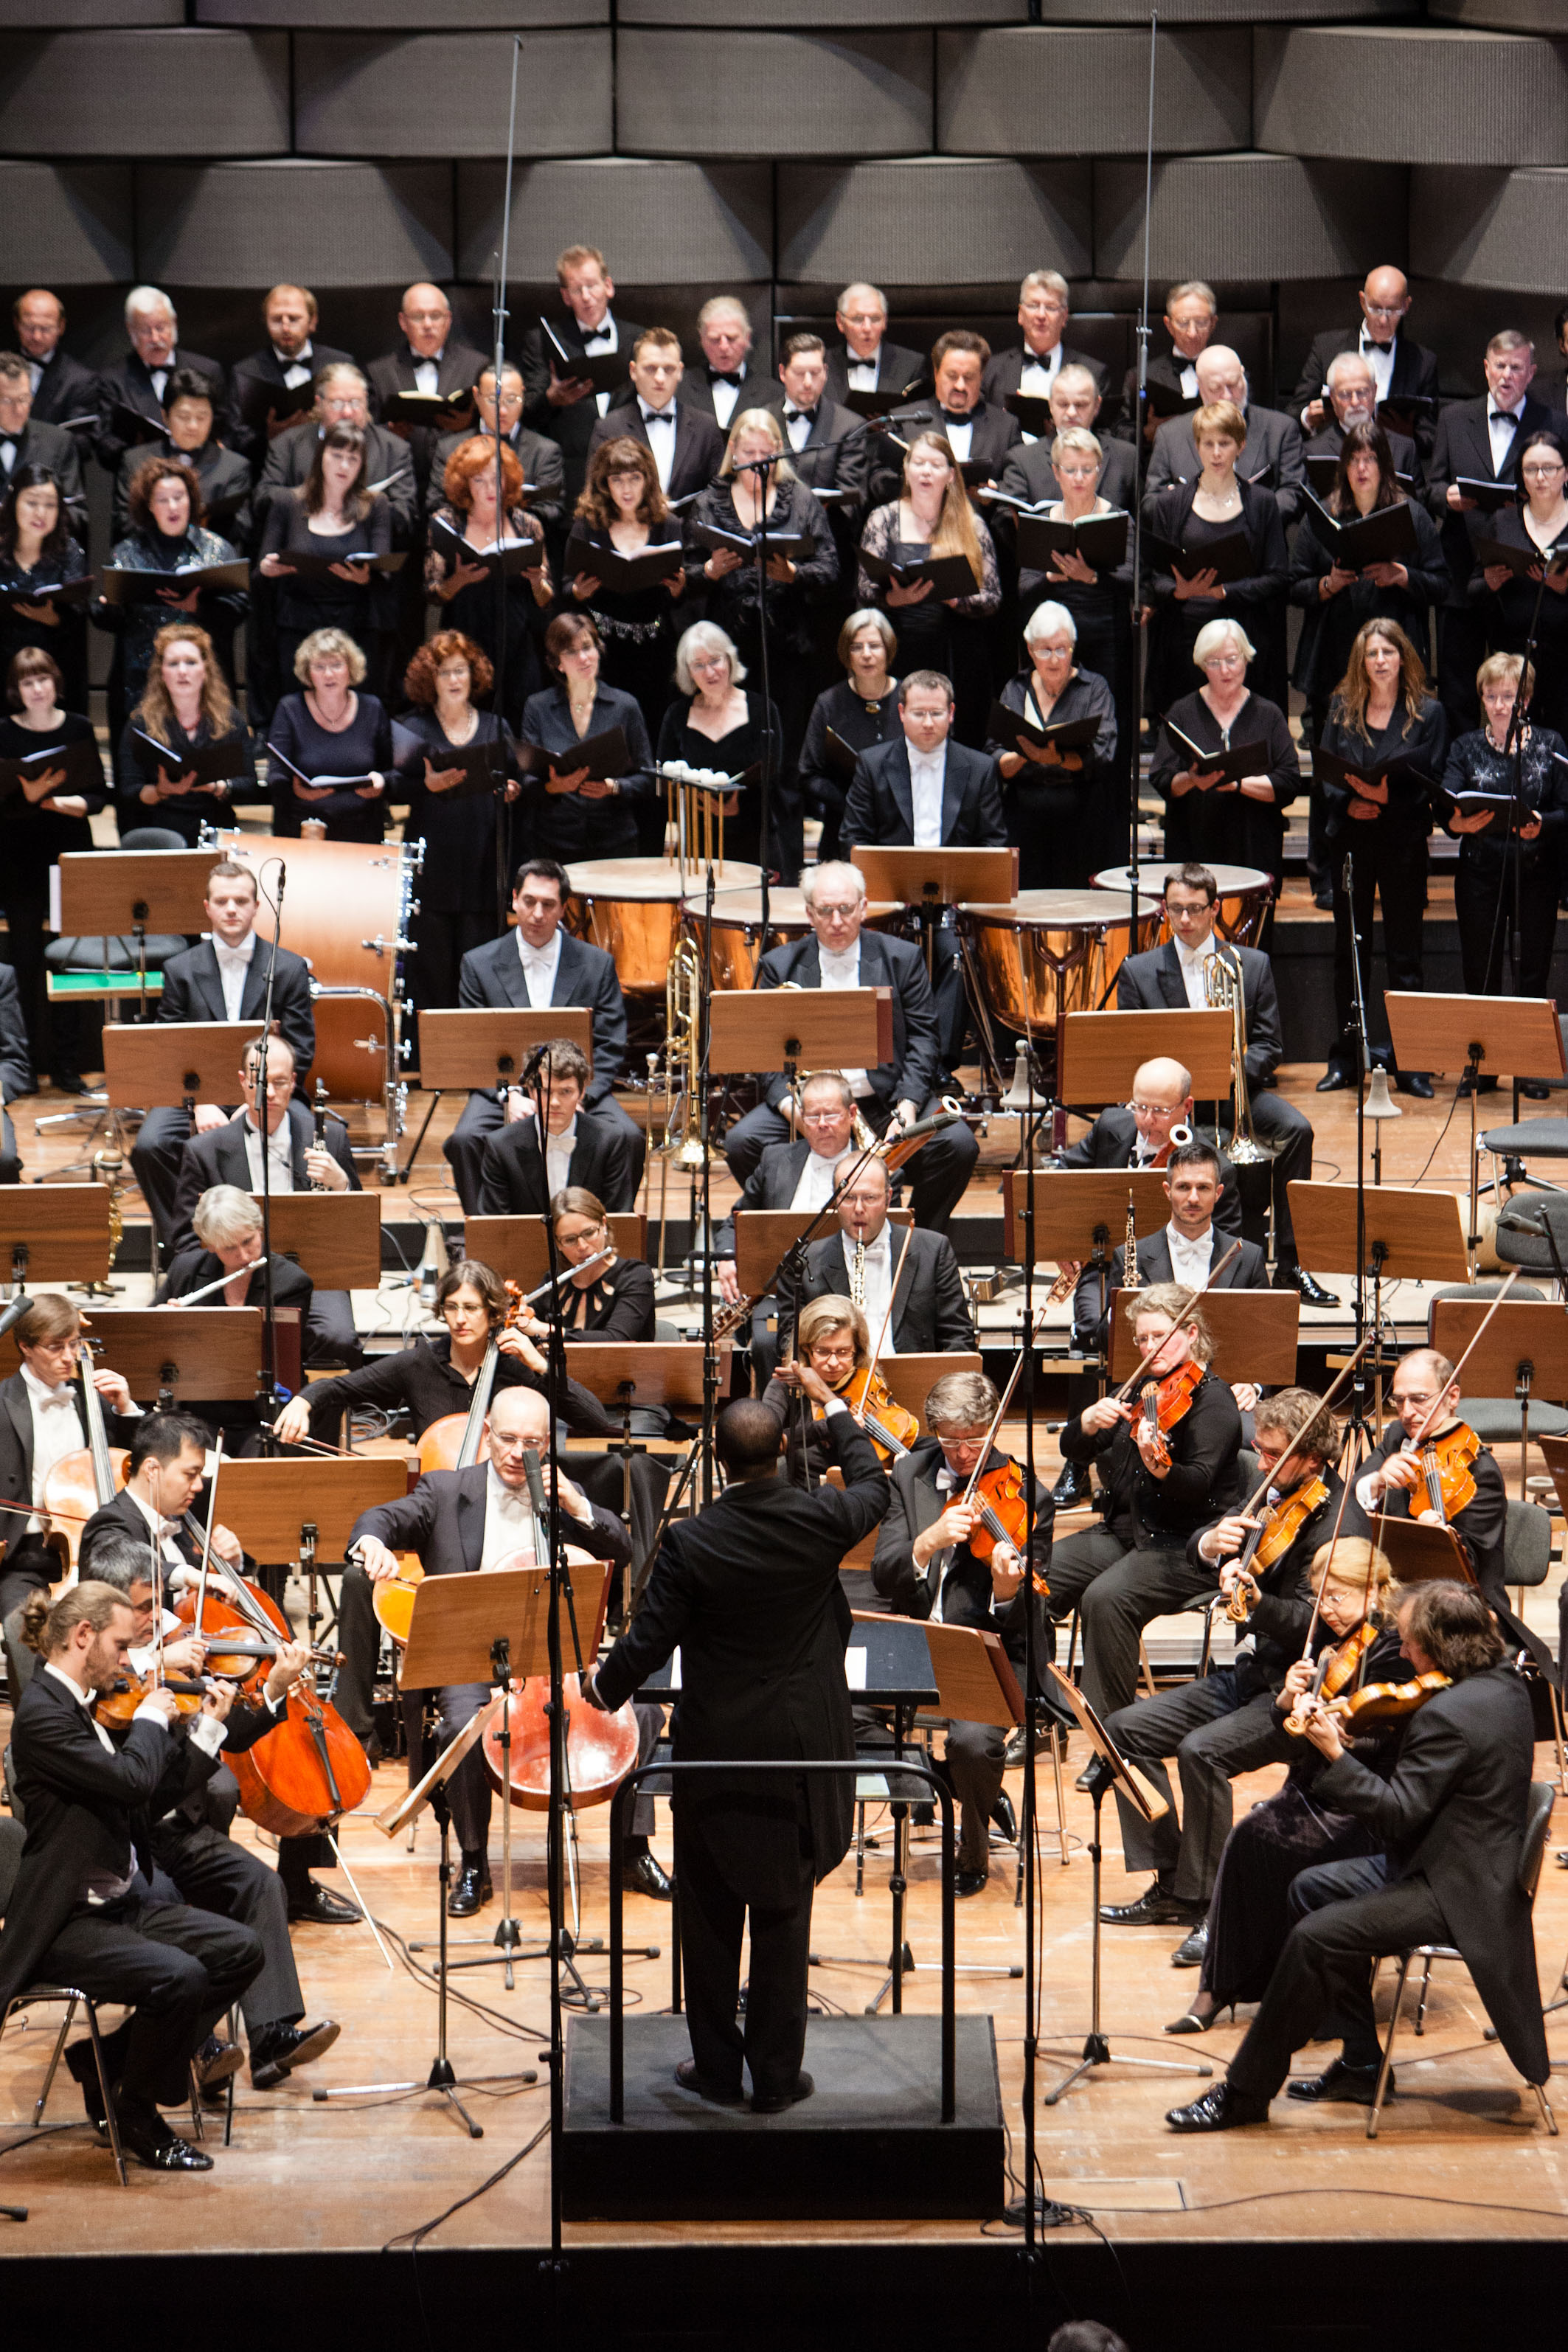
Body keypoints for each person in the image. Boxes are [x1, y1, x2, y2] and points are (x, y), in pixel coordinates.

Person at [583, 1385, 889, 2110]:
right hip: (797, 1751)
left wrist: (600, 1689)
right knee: (783, 1915)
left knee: (709, 1912)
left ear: (718, 1462)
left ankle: (716, 2071)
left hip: (715, 1750)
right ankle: (777, 2079)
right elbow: (875, 1484)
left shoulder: (692, 1540)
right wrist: (837, 1411)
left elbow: (646, 1643)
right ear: (782, 1451)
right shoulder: (820, 1521)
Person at [1167, 1581, 1551, 2134]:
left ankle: (1245, 2091)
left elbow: (1395, 1814)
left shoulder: (1450, 1714)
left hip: (1455, 1887)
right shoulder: (1505, 1686)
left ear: (1442, 1645)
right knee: (1309, 1888)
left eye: (1412, 1641)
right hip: (1461, 1857)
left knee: (1314, 1935)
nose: (1403, 1651)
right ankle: (1361, 2061)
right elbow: (1432, 1777)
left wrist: (1333, 1752)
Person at [274, 1259, 617, 1749]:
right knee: (357, 1578)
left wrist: (543, 1366)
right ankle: (354, 1728)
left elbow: (595, 1418)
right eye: (452, 1306)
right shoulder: (421, 1363)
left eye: (472, 1307)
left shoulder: (515, 1368)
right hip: (434, 1517)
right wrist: (305, 1401)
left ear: (494, 1312)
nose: (460, 1318)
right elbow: (343, 1387)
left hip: (499, 1525)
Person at [348, 1382, 657, 1915]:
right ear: (488, 1435)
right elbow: (382, 1519)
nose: (519, 1453)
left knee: (646, 1711)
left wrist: (578, 1504)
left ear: (548, 1444)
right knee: (461, 1727)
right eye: (508, 1439)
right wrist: (371, 1541)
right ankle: (474, 1862)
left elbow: (622, 1548)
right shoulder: (445, 1490)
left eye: (533, 1442)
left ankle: (633, 1849)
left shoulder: (560, 1493)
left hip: (554, 1655)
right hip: (474, 1657)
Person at [0, 1581, 263, 2171]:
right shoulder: (43, 1716)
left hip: (121, 1904)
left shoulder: (83, 1709)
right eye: (121, 1646)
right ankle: (137, 2108)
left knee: (241, 1949)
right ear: (83, 1636)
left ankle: (109, 2061)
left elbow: (143, 1801)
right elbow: (130, 1782)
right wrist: (149, 1717)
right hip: (66, 1920)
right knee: (182, 1977)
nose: (129, 1660)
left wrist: (208, 1731)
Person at [73, 1532, 341, 2098]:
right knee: (164, 1896)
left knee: (260, 1882)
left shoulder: (165, 1651)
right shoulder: (92, 1671)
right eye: (145, 1608)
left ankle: (269, 2038)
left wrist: (270, 1689)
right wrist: (149, 1669)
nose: (159, 1618)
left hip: (173, 1822)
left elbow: (214, 1739)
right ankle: (193, 2047)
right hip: (123, 1840)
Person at [79, 1409, 357, 1929]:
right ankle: (202, 1897)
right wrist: (193, 1573)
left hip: (199, 1679)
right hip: (142, 1694)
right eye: (191, 1473)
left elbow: (223, 1611)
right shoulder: (110, 1521)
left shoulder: (186, 1524)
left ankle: (292, 1884)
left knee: (297, 1732)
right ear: (153, 1470)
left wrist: (227, 1561)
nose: (199, 1484)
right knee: (226, 1778)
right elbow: (122, 1560)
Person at [1098, 1391, 1342, 1943]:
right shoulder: (1272, 1488)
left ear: (1311, 1457)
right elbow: (1200, 1544)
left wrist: (1255, 1602)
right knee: (1124, 1730)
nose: (1260, 1460)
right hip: (1249, 1675)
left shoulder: (1334, 1522)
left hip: (1296, 1690)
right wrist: (1209, 1544)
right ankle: (1173, 1878)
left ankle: (1212, 1904)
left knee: (1200, 1751)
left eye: (1274, 1452)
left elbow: (1311, 1620)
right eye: (1260, 1447)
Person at [1170, 1541, 1401, 2033]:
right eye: (1319, 1598)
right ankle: (1218, 1987)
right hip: (1316, 1787)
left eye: (1337, 1597)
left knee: (1258, 1842)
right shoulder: (1329, 1641)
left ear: (1374, 1591)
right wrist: (1287, 1699)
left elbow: (1382, 1744)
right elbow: (1290, 1734)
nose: (1326, 1611)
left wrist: (1339, 1736)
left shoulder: (1394, 1650)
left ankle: (1281, 1988)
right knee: (1246, 1840)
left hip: (1364, 1803)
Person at [722, 859, 980, 1235]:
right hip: (809, 1109)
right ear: (810, 914)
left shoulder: (902, 959)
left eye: (846, 909)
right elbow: (766, 1057)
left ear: (864, 907)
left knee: (957, 1145)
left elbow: (925, 1040)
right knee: (743, 1141)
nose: (837, 921)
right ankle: (803, 1228)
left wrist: (907, 1109)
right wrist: (799, 1115)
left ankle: (914, 1238)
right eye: (825, 911)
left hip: (882, 1102)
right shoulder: (779, 965)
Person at [871, 1368, 1052, 1894]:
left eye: (974, 1440)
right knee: (837, 1706)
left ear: (993, 1430)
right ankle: (950, 1781)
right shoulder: (911, 1473)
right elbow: (886, 1571)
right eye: (950, 1440)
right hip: (916, 1640)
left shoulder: (1028, 1494)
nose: (963, 1453)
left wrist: (1005, 1590)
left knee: (972, 1740)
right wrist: (926, 1542)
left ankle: (971, 1850)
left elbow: (1034, 1614)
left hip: (985, 1648)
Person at [1116, 861, 1331, 1302]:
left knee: (1297, 1131)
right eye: (1175, 910)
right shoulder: (1138, 971)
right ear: (1164, 909)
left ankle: (1292, 1263)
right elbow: (1135, 1053)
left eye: (1195, 909)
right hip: (1178, 1105)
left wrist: (1237, 1071)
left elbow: (1271, 1046)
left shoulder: (1251, 964)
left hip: (1238, 1094)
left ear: (1216, 909)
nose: (1186, 921)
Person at [1048, 1286, 1243, 1719]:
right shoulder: (1137, 1391)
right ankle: (1044, 1710)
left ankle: (1115, 1733)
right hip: (1125, 1533)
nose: (1149, 1347)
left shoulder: (1213, 1400)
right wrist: (1083, 1422)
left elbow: (1199, 1482)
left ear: (1191, 1333)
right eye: (1141, 1339)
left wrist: (1162, 1471)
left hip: (1183, 1544)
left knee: (1105, 1599)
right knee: (1032, 1577)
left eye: (1160, 1336)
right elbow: (1073, 1450)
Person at [130, 856, 315, 1250]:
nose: (232, 908)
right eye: (222, 901)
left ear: (256, 907)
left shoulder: (288, 967)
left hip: (269, 1093)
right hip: (194, 1096)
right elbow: (170, 1046)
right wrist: (200, 1101)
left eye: (241, 900)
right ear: (207, 907)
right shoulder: (180, 967)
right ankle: (186, 1247)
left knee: (308, 1138)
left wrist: (254, 1099)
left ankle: (283, 1244)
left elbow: (301, 1047)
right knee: (150, 1146)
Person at [443, 855, 641, 1212]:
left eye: (548, 904)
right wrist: (509, 1096)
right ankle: (486, 1238)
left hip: (577, 1090)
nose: (537, 913)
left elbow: (610, 1043)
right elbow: (472, 1046)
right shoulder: (478, 962)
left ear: (563, 908)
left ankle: (608, 1240)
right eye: (530, 901)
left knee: (628, 1137)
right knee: (465, 1139)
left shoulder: (597, 964)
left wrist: (579, 1096)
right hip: (507, 1089)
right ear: (515, 899)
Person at [1289, 420, 1448, 847]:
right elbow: (1294, 583)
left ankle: (1405, 860)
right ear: (1344, 465)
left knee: (1399, 765)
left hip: (1395, 661)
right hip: (1335, 657)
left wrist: (1402, 575)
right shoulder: (1324, 513)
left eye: (1370, 459)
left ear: (1385, 465)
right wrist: (1328, 584)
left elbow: (1441, 583)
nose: (1362, 469)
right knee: (1333, 766)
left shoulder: (1410, 514)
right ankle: (1326, 869)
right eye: (1354, 459)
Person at [842, 666, 1005, 1066]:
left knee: (955, 958)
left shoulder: (979, 767)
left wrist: (965, 894)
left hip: (953, 904)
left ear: (952, 713)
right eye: (918, 713)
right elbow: (853, 838)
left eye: (936, 713)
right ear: (901, 713)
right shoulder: (872, 763)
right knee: (885, 961)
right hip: (890, 901)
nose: (928, 722)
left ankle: (936, 1064)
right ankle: (887, 1060)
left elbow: (994, 843)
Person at [1315, 617, 1448, 1098]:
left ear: (1402, 656)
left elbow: (1433, 776)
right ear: (1361, 660)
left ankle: (1410, 1061)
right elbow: (1326, 771)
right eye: (1371, 653)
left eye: (1387, 652)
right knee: (1350, 950)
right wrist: (1348, 800)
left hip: (1402, 838)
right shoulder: (1341, 706)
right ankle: (1347, 1057)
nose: (1379, 661)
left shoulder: (1428, 712)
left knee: (1405, 953)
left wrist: (1387, 797)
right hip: (1351, 836)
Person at [685, 406, 838, 817]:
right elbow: (682, 575)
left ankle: (784, 862)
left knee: (784, 751)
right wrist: (709, 571)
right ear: (733, 452)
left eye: (764, 454)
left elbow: (830, 568)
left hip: (786, 644)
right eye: (748, 453)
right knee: (733, 746)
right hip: (728, 646)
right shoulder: (710, 501)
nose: (756, 463)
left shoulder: (800, 499)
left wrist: (792, 574)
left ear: (778, 452)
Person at [1425, 329, 1568, 739]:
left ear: (1531, 374)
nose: (1507, 376)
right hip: (1463, 574)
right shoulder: (1453, 417)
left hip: (1523, 586)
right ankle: (1462, 786)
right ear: (1486, 369)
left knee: (1531, 693)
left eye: (1516, 368)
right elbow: (1430, 486)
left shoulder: (1554, 423)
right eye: (1500, 366)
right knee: (1458, 688)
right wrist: (1446, 497)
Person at [1441, 652, 1568, 1045]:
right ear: (1481, 698)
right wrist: (1456, 823)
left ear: (1525, 701)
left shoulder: (1550, 745)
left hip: (1534, 872)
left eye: (1508, 697)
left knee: (1532, 971)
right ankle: (1483, 1063)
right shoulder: (1464, 747)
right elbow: (1445, 802)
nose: (1499, 706)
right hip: (1481, 872)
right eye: (1491, 696)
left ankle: (1529, 1063)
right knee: (1481, 970)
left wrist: (1544, 825)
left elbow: (1567, 808)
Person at [0, 1292, 141, 1642]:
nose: (69, 1357)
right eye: (55, 1347)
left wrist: (125, 1408)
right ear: (25, 1347)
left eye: (74, 1344)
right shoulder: (2, 1402)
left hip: (89, 1554)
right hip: (22, 1557)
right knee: (26, 1634)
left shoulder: (90, 1400)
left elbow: (133, 1465)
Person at [396, 630, 518, 1021]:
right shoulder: (411, 728)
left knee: (480, 967)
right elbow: (393, 786)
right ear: (430, 680)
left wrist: (514, 788)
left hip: (481, 864)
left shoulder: (496, 726)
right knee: (429, 970)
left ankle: (476, 1063)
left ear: (473, 675)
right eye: (444, 672)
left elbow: (520, 779)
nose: (453, 680)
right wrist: (424, 785)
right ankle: (427, 1065)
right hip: (432, 868)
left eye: (461, 671)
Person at [1145, 398, 1288, 713]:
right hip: (1186, 637)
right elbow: (1156, 576)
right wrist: (1179, 591)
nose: (1217, 453)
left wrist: (1225, 591)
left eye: (1225, 443)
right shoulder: (1171, 505)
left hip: (1245, 635)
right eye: (1208, 444)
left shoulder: (1263, 503)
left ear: (1241, 445)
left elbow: (1278, 576)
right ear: (1197, 446)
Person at [857, 433, 1001, 746]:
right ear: (906, 470)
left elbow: (992, 598)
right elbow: (864, 590)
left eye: (935, 465)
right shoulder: (883, 519)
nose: (925, 471)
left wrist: (954, 597)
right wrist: (894, 598)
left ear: (951, 475)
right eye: (918, 463)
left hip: (956, 652)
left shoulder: (971, 523)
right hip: (898, 649)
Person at [1344, 1347, 1512, 1613]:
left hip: (1463, 1611)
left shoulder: (1480, 1472)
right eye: (1399, 1401)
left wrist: (1434, 1540)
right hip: (1396, 1591)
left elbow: (1470, 1569)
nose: (1407, 1412)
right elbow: (1352, 1490)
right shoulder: (1399, 1436)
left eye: (1419, 1399)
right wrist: (1377, 1481)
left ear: (1452, 1396)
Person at [0, 644, 98, 1092]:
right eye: (26, 681)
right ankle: (27, 1066)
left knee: (71, 960)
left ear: (55, 682)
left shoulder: (77, 727)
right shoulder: (4, 732)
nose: (36, 688)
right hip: (19, 858)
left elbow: (98, 796)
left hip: (68, 856)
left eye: (42, 679)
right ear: (15, 690)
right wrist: (30, 796)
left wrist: (50, 798)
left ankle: (66, 1064)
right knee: (24, 963)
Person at [96, 457, 246, 747]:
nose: (173, 507)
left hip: (200, 681)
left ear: (191, 500)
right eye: (162, 500)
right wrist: (107, 607)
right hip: (139, 677)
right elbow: (110, 621)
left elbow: (239, 610)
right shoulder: (126, 552)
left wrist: (198, 608)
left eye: (179, 497)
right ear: (150, 506)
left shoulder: (217, 548)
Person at [167, 1031, 358, 1257]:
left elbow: (359, 1229)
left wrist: (341, 1185)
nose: (269, 1093)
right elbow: (186, 1240)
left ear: (293, 1083)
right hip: (235, 1273)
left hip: (316, 1275)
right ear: (242, 1081)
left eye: (280, 1082)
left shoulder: (332, 1138)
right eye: (259, 1082)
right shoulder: (203, 1151)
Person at [1069, 1139, 1268, 1351]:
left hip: (1227, 1383)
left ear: (1218, 1193)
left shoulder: (1248, 1257)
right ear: (1167, 1191)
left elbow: (1268, 1338)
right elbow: (1106, 1343)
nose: (1193, 1198)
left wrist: (1254, 1386)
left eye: (1203, 1188)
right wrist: (1121, 1308)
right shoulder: (1130, 1257)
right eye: (1183, 1187)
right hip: (1154, 1383)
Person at [566, 436, 686, 785]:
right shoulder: (589, 525)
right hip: (605, 651)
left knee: (651, 737)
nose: (626, 488)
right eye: (617, 480)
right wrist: (577, 591)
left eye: (634, 478)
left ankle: (649, 810)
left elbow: (684, 586)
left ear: (648, 480)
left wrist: (679, 590)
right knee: (608, 736)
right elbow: (564, 587)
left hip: (654, 649)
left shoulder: (668, 525)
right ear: (604, 484)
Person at [1149, 614, 1299, 891]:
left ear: (1246, 658)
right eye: (1214, 663)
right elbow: (1161, 778)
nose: (1225, 671)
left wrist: (1238, 784)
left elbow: (1289, 781)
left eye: (1232, 659)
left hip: (1254, 845)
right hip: (1195, 845)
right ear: (1202, 665)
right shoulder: (1181, 712)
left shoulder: (1269, 714)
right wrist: (1192, 780)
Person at [776, 1151, 975, 1359]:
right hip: (834, 1385)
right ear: (834, 1200)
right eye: (849, 1198)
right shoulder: (803, 1262)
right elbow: (789, 1346)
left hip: (915, 1383)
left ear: (888, 1198)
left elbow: (959, 1337)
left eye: (870, 1198)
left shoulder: (933, 1250)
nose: (859, 1209)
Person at [988, 597, 1118, 889]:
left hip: (1080, 814)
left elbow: (1103, 754)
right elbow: (994, 758)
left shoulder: (1094, 688)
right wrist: (1026, 754)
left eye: (1062, 649)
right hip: (1023, 815)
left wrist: (1056, 759)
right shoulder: (1016, 688)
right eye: (1045, 650)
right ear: (1031, 651)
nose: (1055, 659)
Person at [424, 434, 552, 729]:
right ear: (464, 483)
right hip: (465, 640)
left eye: (496, 479)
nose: (489, 488)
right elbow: (432, 593)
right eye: (478, 480)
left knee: (519, 720)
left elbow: (546, 600)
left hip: (517, 643)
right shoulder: (448, 521)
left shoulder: (527, 524)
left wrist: (537, 582)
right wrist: (458, 580)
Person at [153, 1186, 319, 1407]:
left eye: (248, 1241)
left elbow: (281, 1359)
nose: (244, 1256)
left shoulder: (291, 1282)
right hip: (198, 1399)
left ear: (259, 1228)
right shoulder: (186, 1269)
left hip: (261, 1402)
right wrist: (165, 1324)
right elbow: (151, 1344)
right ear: (210, 1246)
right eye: (230, 1248)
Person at [258, 422, 392, 693]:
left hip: (353, 622)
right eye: (337, 456)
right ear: (321, 457)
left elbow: (384, 568)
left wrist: (366, 577)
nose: (344, 466)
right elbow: (263, 564)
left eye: (353, 459)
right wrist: (268, 568)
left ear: (362, 465)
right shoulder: (287, 502)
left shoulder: (376, 505)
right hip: (298, 622)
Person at [517, 611, 654, 867]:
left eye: (588, 647)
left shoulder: (625, 706)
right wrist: (554, 787)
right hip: (555, 840)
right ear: (558, 662)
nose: (583, 658)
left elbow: (647, 778)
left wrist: (614, 786)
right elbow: (526, 780)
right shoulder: (537, 707)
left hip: (615, 841)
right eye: (571, 651)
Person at [655, 620, 786, 875]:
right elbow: (663, 782)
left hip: (754, 841)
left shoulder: (763, 710)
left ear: (729, 660)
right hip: (697, 846)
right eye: (699, 665)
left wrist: (737, 808)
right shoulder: (677, 715)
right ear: (688, 671)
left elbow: (774, 778)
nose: (710, 672)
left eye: (715, 661)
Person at [1466, 429, 1568, 742]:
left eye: (1549, 468)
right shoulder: (1503, 522)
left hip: (1565, 661)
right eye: (1530, 469)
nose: (1540, 477)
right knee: (1517, 747)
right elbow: (1472, 588)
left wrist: (1562, 587)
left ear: (1566, 473)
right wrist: (1490, 583)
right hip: (1514, 658)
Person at [522, 245, 644, 502]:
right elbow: (527, 413)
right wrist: (552, 400)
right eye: (578, 290)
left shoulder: (640, 340)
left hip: (632, 477)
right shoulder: (542, 341)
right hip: (572, 480)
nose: (587, 296)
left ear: (608, 286)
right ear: (566, 296)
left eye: (592, 285)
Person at [117, 620, 254, 848]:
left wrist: (216, 787)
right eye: (173, 664)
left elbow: (249, 786)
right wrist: (160, 791)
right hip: (160, 830)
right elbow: (129, 791)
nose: (182, 671)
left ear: (205, 670)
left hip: (215, 829)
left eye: (190, 662)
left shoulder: (230, 720)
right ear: (161, 673)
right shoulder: (140, 723)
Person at [1146, 344, 1305, 530]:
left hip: (1258, 542)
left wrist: (1247, 517)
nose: (1228, 396)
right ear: (1200, 387)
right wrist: (1182, 506)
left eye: (1234, 384)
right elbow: (1150, 503)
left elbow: (1295, 493)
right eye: (1216, 388)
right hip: (1193, 547)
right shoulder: (1170, 435)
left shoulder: (1281, 429)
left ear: (1243, 375)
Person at [1291, 266, 1441, 459]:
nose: (1383, 320)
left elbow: (1432, 438)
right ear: (1363, 301)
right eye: (1376, 308)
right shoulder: (1326, 348)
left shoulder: (1423, 362)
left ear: (1406, 305)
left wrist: (1406, 435)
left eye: (1393, 310)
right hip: (1336, 462)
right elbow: (1292, 416)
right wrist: (1308, 418)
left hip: (1392, 466)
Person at [476, 1034, 635, 1215]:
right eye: (545, 1091)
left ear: (582, 1093)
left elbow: (618, 1218)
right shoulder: (501, 1146)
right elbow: (496, 1226)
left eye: (566, 1091)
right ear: (531, 1092)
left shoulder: (610, 1142)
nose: (555, 1102)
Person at [265, 625, 393, 844]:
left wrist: (382, 782)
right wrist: (298, 792)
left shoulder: (372, 708)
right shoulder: (289, 708)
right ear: (308, 672)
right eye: (319, 666)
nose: (328, 674)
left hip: (361, 831)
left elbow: (393, 771)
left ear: (350, 668)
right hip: (304, 830)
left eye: (336, 665)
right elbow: (275, 776)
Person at [94, 286, 234, 477]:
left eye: (161, 327)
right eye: (145, 330)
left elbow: (228, 430)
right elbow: (104, 444)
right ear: (130, 329)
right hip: (142, 480)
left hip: (203, 478)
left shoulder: (208, 370)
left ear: (174, 323)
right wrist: (137, 453)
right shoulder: (112, 379)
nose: (155, 338)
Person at [366, 280, 485, 505]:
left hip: (460, 492)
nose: (428, 324)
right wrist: (389, 433)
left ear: (448, 320)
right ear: (403, 321)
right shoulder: (379, 372)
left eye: (436, 316)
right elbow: (366, 434)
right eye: (418, 316)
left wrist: (469, 423)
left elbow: (492, 429)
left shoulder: (477, 366)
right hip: (399, 491)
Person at [796, 608, 900, 864]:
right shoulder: (829, 703)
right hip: (844, 827)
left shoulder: (909, 698)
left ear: (888, 650)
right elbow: (808, 773)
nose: (866, 654)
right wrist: (854, 804)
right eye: (856, 647)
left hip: (900, 827)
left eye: (874, 646)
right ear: (847, 654)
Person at [112, 367, 251, 551]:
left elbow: (240, 530)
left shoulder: (235, 466)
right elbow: (125, 522)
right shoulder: (135, 460)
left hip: (211, 566)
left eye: (202, 417)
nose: (193, 426)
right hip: (149, 564)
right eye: (184, 417)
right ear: (166, 416)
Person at [589, 328, 724, 502]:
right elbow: (597, 497)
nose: (660, 378)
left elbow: (718, 496)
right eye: (651, 368)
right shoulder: (608, 428)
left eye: (668, 369)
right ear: (633, 371)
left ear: (680, 372)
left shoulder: (706, 427)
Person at [432, 363, 566, 532]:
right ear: (477, 397)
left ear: (523, 395)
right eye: (493, 400)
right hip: (465, 544)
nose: (502, 410)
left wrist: (503, 516)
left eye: (511, 400)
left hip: (524, 549)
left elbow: (552, 510)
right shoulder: (449, 448)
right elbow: (435, 505)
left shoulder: (545, 450)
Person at [229, 283, 355, 463]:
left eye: (294, 319)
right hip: (272, 468)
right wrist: (270, 436)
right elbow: (237, 440)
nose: (286, 328)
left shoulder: (340, 363)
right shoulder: (245, 372)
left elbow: (358, 422)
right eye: (277, 319)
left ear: (312, 321)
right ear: (266, 322)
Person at [0, 465, 89, 711]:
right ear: (14, 503)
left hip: (54, 671)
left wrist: (53, 619)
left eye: (50, 505)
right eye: (32, 503)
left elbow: (78, 616)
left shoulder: (69, 552)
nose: (41, 512)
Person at [982, 270, 1109, 422]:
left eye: (1050, 307)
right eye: (1033, 306)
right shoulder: (992, 370)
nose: (1041, 315)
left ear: (1064, 316)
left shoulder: (1093, 373)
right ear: (1020, 314)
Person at [1302, 350, 1425, 502]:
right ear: (1332, 399)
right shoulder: (1313, 452)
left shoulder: (1404, 449)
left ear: (1374, 391)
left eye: (1362, 392)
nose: (1355, 402)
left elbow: (1422, 515)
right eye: (1345, 394)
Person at [0, 350, 89, 547]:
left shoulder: (58, 441)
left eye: (24, 399)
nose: (18, 409)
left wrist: (37, 520)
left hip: (45, 559)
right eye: (7, 400)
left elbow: (78, 514)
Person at [1112, 280, 1215, 448]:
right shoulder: (1142, 375)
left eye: (1201, 322)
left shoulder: (1232, 375)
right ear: (1169, 325)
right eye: (1183, 322)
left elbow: (1246, 425)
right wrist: (1148, 432)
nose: (1192, 332)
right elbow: (1120, 430)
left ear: (1213, 323)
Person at [13, 288, 101, 448]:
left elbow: (83, 443)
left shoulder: (80, 380)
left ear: (61, 327)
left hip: (54, 470)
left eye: (45, 328)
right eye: (29, 327)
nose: (37, 336)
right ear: (17, 324)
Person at [823, 283, 926, 408]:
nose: (867, 328)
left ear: (885, 321)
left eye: (875, 318)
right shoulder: (822, 363)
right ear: (840, 322)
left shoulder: (911, 365)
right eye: (858, 318)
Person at [684, 295, 762, 429]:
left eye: (731, 338)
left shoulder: (773, 394)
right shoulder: (680, 388)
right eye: (715, 339)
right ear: (702, 340)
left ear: (747, 338)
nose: (724, 347)